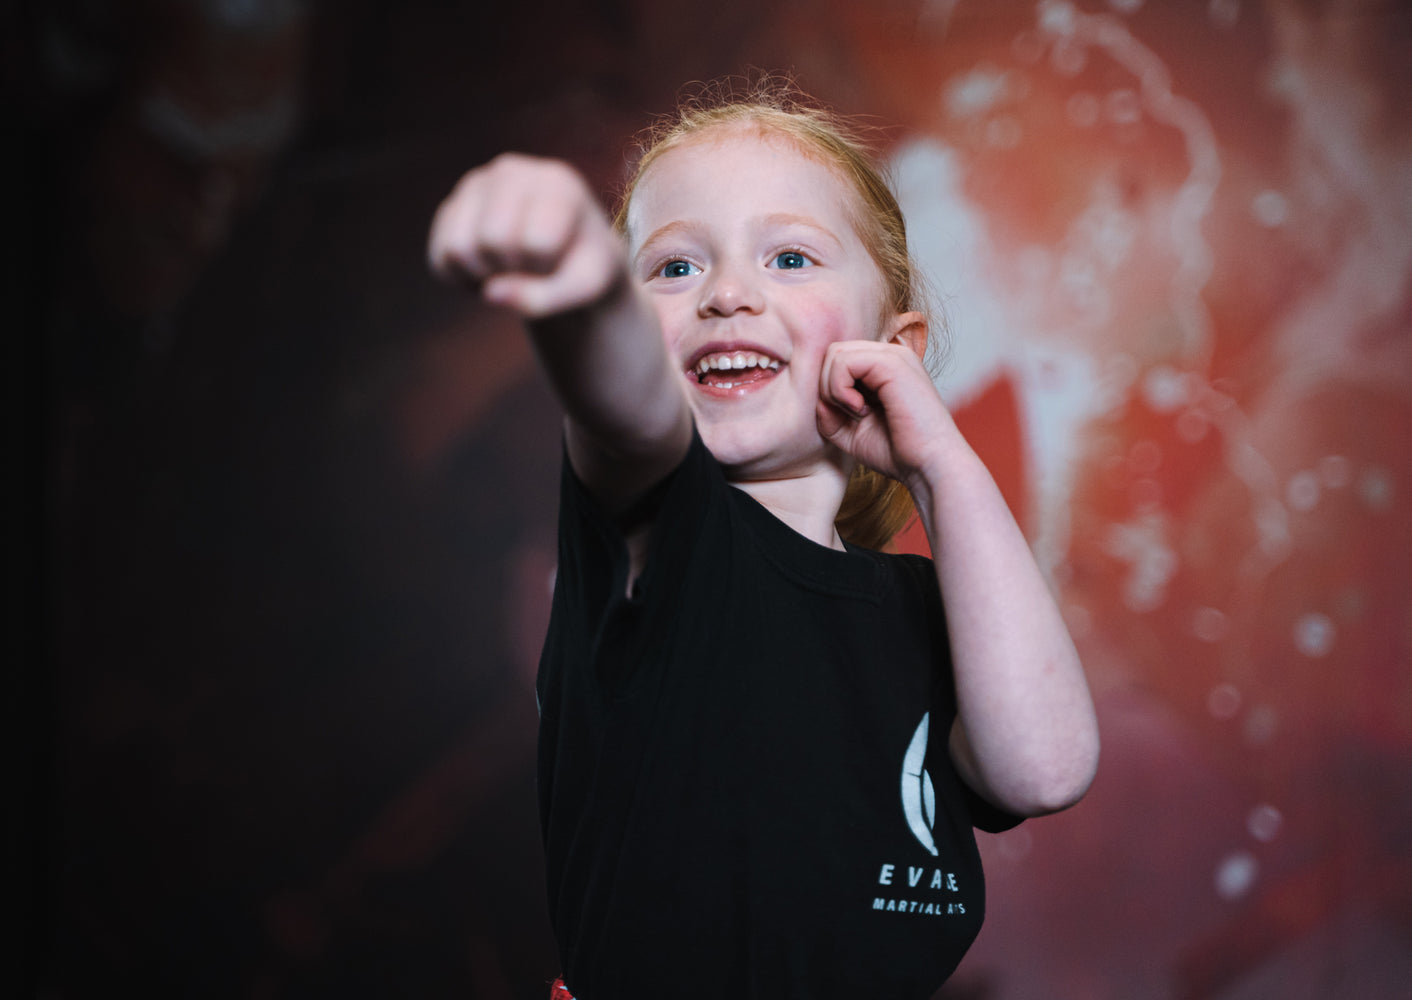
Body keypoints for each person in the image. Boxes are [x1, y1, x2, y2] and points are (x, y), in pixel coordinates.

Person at [427, 78, 1100, 999]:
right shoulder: (657, 541)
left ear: (891, 343)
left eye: (789, 258)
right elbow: (624, 409)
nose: (727, 295)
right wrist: (579, 286)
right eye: (671, 269)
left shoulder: (918, 612)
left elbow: (1045, 770)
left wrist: (941, 464)